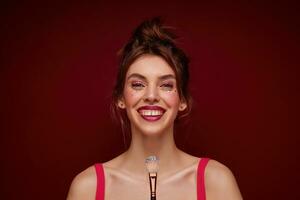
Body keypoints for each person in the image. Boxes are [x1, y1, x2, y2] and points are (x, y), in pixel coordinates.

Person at [67, 17, 243, 200]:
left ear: (182, 100)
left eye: (166, 85)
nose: (151, 96)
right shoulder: (87, 187)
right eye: (137, 84)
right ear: (120, 98)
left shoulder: (215, 182)